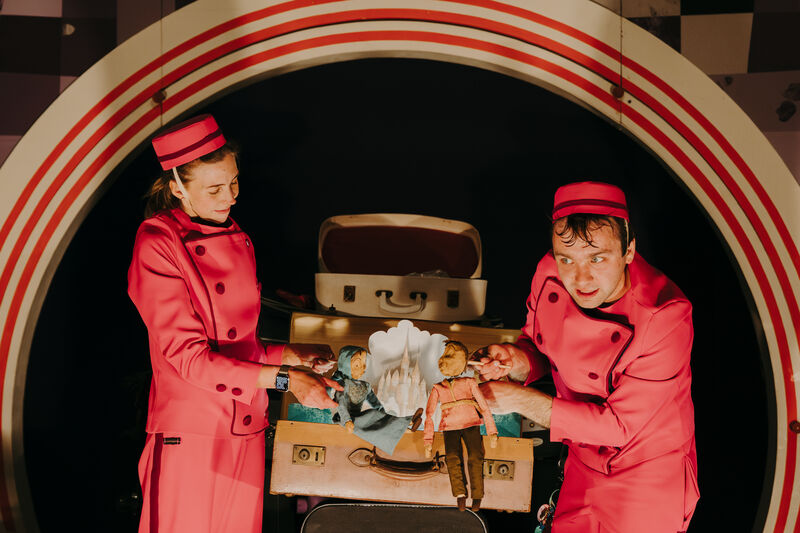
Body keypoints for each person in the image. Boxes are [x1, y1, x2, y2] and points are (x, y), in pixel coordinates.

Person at [127, 114, 341, 533]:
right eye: (214, 189)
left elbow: (242, 348)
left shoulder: (236, 234)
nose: (231, 197)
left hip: (246, 428)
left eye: (234, 182)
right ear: (176, 187)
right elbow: (191, 361)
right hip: (192, 438)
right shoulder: (158, 244)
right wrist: (286, 381)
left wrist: (292, 357)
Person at [474, 182, 699, 533]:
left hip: (644, 478)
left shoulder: (665, 317)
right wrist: (516, 359)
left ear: (629, 251)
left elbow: (618, 426)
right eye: (567, 258)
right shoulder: (549, 273)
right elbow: (539, 346)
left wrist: (520, 400)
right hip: (581, 460)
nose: (580, 278)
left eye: (598, 258)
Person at [423, 341, 497, 512]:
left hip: (471, 423)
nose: (444, 361)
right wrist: (428, 440)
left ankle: (477, 494)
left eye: (450, 356)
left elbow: (484, 406)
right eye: (444, 356)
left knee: (476, 457)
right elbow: (429, 413)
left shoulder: (469, 382)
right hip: (449, 427)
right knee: (452, 458)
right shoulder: (438, 388)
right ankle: (459, 493)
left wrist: (492, 431)